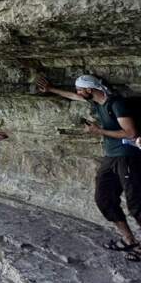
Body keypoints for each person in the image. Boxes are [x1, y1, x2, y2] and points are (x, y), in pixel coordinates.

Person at [37, 74, 141, 261]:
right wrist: (51, 89)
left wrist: (98, 131)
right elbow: (74, 97)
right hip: (111, 158)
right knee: (104, 198)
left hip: (128, 157)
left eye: (80, 89)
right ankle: (129, 239)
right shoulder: (96, 102)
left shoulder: (116, 104)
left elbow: (131, 133)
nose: (78, 92)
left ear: (90, 89)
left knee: (136, 205)